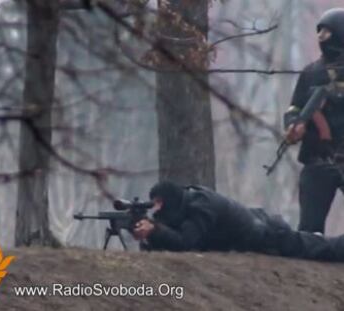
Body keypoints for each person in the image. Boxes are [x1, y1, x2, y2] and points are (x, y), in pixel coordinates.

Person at [133, 181, 344, 261]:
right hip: (259, 227)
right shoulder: (187, 205)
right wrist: (151, 235)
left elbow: (187, 243)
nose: (157, 210)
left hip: (268, 236)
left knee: (321, 249)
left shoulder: (200, 205)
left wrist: (156, 231)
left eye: (160, 203)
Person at [284, 8, 344, 234]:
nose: (321, 38)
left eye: (327, 33)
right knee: (310, 230)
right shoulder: (311, 73)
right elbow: (295, 107)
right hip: (318, 157)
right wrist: (292, 124)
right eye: (320, 33)